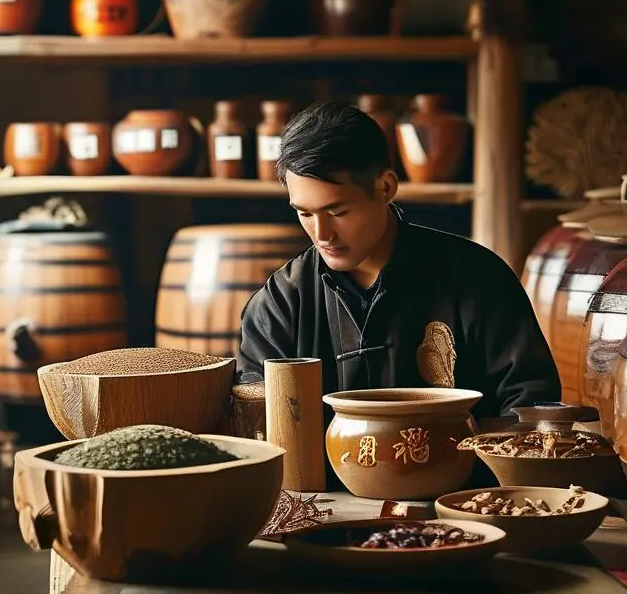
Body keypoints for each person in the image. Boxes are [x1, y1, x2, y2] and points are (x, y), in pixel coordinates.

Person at [236, 100, 561, 421]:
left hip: (464, 473)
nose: (322, 234)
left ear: (386, 186)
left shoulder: (478, 278)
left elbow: (530, 405)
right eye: (304, 213)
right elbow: (258, 417)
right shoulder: (280, 302)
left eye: (337, 212)